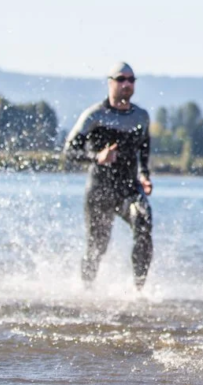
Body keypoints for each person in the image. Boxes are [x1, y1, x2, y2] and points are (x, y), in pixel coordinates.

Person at [64, 62, 153, 289]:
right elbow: (69, 151)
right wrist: (97, 157)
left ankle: (139, 290)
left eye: (131, 80)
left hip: (128, 188)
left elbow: (144, 150)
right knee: (97, 247)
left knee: (143, 222)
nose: (126, 84)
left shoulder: (141, 117)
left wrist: (144, 175)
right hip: (100, 190)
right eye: (121, 79)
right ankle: (86, 290)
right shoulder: (94, 115)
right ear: (110, 82)